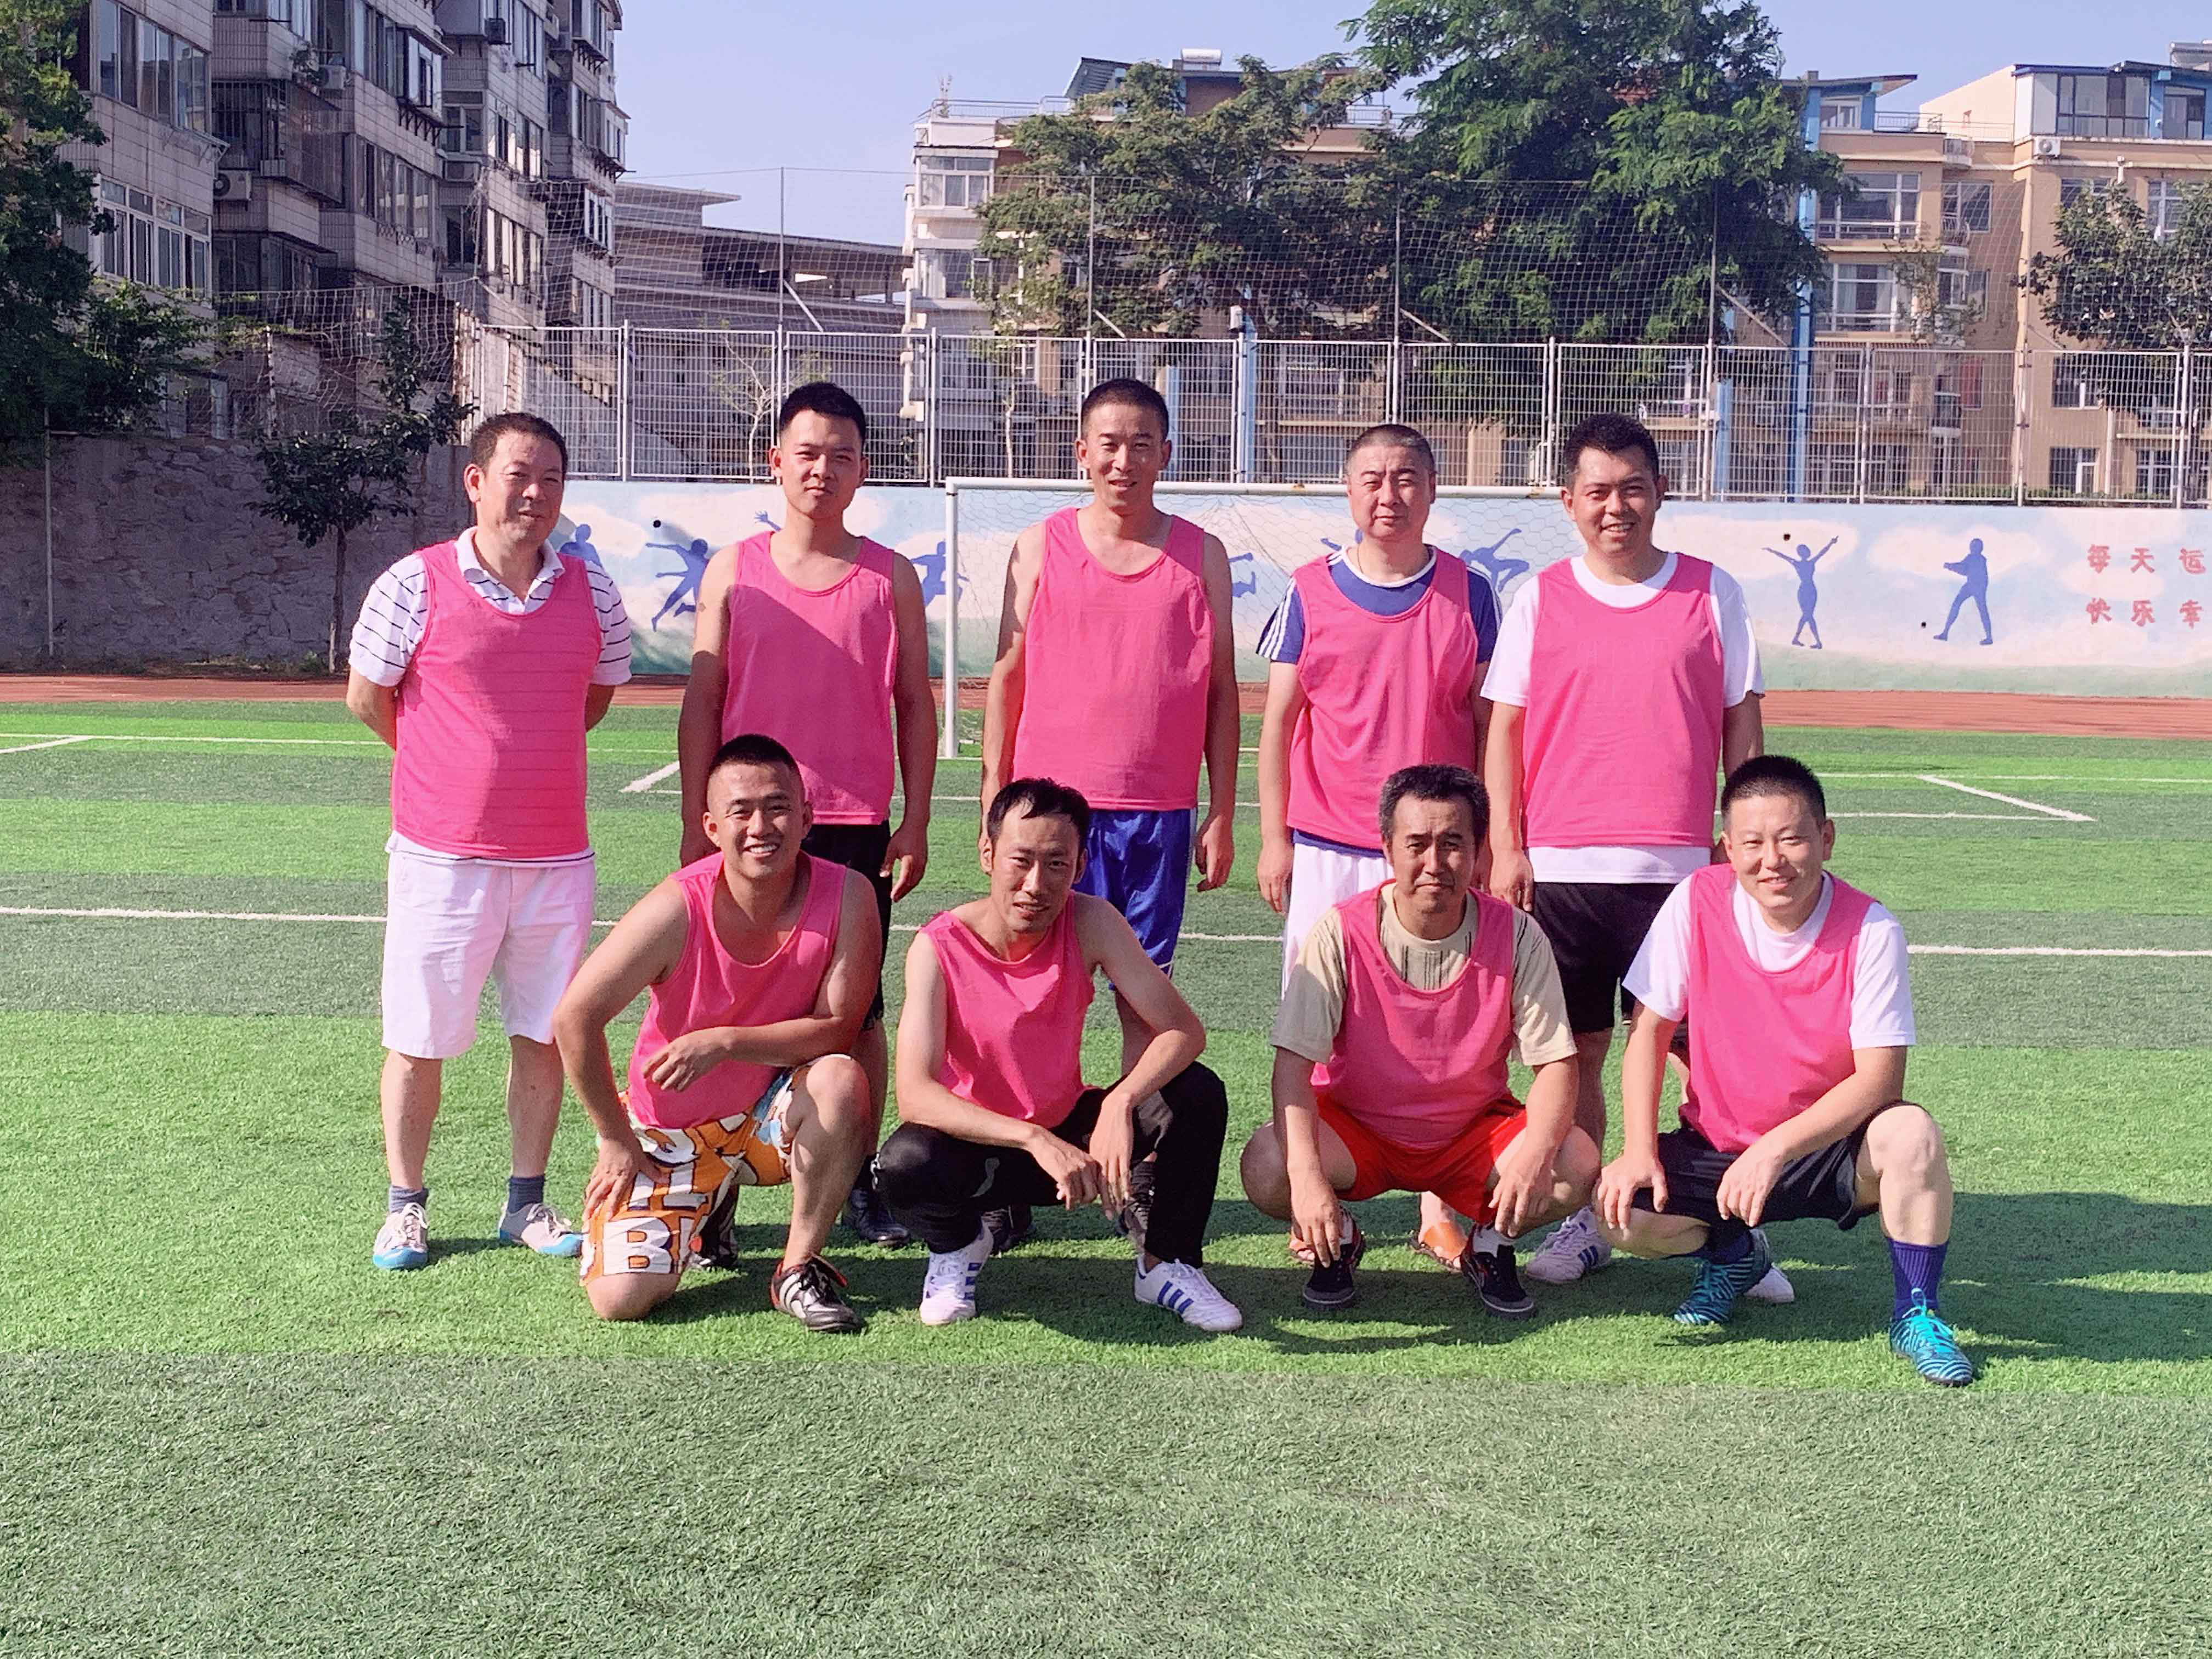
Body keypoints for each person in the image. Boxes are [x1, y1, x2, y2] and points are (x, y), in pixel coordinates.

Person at [1482, 412, 1781, 1297]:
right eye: (1598, 492)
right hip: (1563, 870)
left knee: (1701, 1058)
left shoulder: (1711, 593)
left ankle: (1733, 1229)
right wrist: (1507, 844)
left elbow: (1741, 722)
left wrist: (1740, 841)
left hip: (1682, 872)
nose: (1616, 507)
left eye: (1633, 489)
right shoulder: (1540, 598)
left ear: (1661, 492)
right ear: (1568, 501)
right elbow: (1504, 730)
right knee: (1573, 1051)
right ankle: (1586, 1218)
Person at [345, 412, 632, 1272]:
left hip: (556, 860)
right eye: (518, 474)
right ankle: (405, 1207)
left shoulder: (593, 591)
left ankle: (525, 1204)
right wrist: (448, 768)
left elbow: (593, 699)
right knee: (418, 1039)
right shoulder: (412, 583)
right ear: (474, 482)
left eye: (550, 478)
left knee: (545, 1036)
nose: (534, 493)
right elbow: (368, 698)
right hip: (441, 859)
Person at [1592, 757, 1973, 1385]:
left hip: (1827, 1149)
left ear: (1825, 838)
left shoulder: (1872, 927)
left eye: (1791, 839)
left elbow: (1879, 1081)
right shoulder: (1696, 900)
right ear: (1727, 848)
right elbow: (1648, 1033)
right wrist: (1636, 1151)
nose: (1771, 860)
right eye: (1752, 843)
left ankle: (1917, 1314)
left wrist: (1774, 1149)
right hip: (1718, 1145)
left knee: (1911, 1134)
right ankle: (1734, 1255)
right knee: (1615, 1214)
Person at [979, 376, 1239, 1252]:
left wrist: (1220, 810)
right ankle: (1008, 1174)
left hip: (1155, 813)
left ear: (1165, 454)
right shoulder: (1040, 546)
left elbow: (1220, 693)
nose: (1123, 460)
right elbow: (1006, 679)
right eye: (1108, 443)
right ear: (1081, 452)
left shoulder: (1199, 555)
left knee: (1141, 1001)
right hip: (1050, 822)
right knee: (1026, 1000)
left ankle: (1142, 1168)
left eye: (1140, 444)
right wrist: (995, 798)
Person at [677, 381, 937, 1250]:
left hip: (852, 826)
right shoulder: (732, 570)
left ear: (862, 471)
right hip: (747, 829)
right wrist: (696, 816)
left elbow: (913, 703)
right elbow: (702, 700)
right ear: (775, 462)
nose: (822, 469)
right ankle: (712, 1182)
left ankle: (854, 1177)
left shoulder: (889, 576)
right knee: (736, 1001)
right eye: (807, 453)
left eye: (841, 456)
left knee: (852, 1014)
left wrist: (915, 819)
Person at [1254, 423, 1501, 1268]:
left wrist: (1488, 839)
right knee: (1316, 1016)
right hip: (1330, 842)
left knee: (1446, 1017)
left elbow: (1488, 726)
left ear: (1430, 490)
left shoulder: (1469, 593)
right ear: (1347, 489)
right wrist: (1273, 839)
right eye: (1371, 478)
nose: (1387, 494)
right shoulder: (1306, 590)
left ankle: (1440, 1204)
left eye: (1404, 478)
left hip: (1438, 852)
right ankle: (1318, 1199)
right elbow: (1278, 724)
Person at [875, 778, 1241, 1334]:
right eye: (1020, 861)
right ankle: (958, 1244)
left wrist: (1120, 1102)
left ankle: (1166, 1263)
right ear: (987, 853)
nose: (1035, 884)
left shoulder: (1091, 920)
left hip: (1071, 1140)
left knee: (1195, 1092)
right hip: (981, 1150)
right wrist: (1031, 1139)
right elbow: (916, 1095)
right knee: (904, 1165)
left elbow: (1182, 1030)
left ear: (1079, 865)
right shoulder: (937, 945)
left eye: (1056, 864)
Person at [553, 735, 882, 1331]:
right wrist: (614, 1136)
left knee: (840, 1079)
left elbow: (838, 1030)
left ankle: (797, 1268)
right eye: (741, 811)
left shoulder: (850, 895)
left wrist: (725, 1042)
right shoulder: (677, 906)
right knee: (620, 1300)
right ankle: (709, 1206)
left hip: (766, 1119)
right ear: (711, 827)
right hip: (673, 1131)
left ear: (807, 817)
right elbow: (574, 1017)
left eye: (778, 807)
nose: (761, 827)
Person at [1241, 765, 1595, 1316]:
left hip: (1471, 1134)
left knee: (1573, 1160)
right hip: (1358, 1132)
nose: (1434, 863)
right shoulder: (1340, 930)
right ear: (1387, 848)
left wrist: (1534, 1156)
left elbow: (1554, 1065)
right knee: (1267, 1164)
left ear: (1477, 851)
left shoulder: (1516, 933)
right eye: (1416, 844)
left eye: (1452, 843)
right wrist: (1307, 1182)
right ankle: (1339, 1238)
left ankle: (1490, 1244)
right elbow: (1292, 1066)